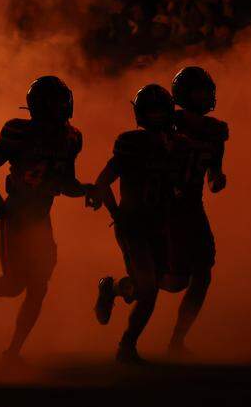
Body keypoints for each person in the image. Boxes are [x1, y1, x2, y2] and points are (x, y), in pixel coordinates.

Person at [0, 76, 90, 363]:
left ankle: (14, 349)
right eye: (57, 103)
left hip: (41, 217)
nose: (63, 108)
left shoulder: (71, 137)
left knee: (39, 286)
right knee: (13, 285)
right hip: (16, 214)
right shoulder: (19, 132)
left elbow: (66, 182)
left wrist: (86, 189)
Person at [90, 84, 192, 364]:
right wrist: (116, 213)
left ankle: (111, 289)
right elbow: (103, 181)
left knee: (160, 285)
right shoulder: (131, 143)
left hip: (159, 224)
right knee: (148, 290)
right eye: (152, 111)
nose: (158, 117)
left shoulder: (179, 145)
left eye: (162, 111)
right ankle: (126, 346)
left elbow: (180, 186)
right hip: (133, 225)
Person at [166, 66, 228, 355]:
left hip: (192, 204)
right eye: (200, 91)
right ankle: (118, 287)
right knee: (174, 280)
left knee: (202, 272)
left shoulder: (215, 130)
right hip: (164, 204)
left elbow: (213, 169)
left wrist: (216, 178)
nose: (206, 97)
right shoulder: (169, 123)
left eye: (207, 91)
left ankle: (178, 340)